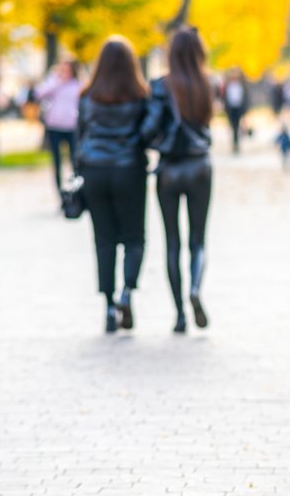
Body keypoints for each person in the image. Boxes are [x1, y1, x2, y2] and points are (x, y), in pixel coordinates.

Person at [141, 27, 215, 334]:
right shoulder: (206, 84)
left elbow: (149, 129)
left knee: (173, 241)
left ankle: (180, 315)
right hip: (199, 166)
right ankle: (195, 288)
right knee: (198, 240)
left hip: (169, 170)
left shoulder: (160, 86)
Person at [77, 37, 150, 334]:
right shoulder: (140, 96)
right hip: (129, 170)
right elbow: (147, 133)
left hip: (95, 171)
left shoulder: (87, 96)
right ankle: (126, 292)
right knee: (134, 238)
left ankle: (108, 305)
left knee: (104, 240)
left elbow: (78, 136)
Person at [36, 59, 82, 198]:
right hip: (54, 126)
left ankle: (76, 192)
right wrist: (56, 81)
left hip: (71, 126)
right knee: (57, 162)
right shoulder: (54, 82)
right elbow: (39, 94)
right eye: (63, 69)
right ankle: (60, 194)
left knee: (75, 160)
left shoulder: (78, 85)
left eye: (68, 69)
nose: (65, 72)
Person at [222, 68, 248, 154]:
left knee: (236, 127)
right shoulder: (228, 87)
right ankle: (235, 143)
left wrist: (244, 110)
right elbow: (225, 99)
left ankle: (236, 143)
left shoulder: (240, 87)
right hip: (231, 109)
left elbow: (244, 99)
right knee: (233, 127)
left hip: (238, 108)